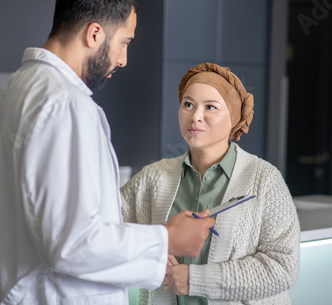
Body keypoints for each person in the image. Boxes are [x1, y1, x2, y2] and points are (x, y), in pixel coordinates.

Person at [0, 0, 215, 304]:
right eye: (124, 43)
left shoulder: (9, 95)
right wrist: (167, 239)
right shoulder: (64, 105)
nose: (123, 60)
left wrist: (149, 258)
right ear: (95, 33)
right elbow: (72, 245)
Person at [121, 63, 300, 304]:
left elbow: (282, 267)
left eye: (210, 107)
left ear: (234, 118)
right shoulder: (152, 178)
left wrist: (196, 279)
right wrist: (147, 254)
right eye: (188, 104)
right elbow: (106, 231)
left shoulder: (264, 180)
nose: (195, 116)